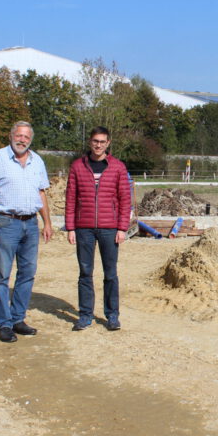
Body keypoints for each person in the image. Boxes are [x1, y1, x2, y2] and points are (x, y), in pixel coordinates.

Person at [0, 121, 55, 343]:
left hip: (30, 224)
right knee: (2, 275)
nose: (22, 140)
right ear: (11, 136)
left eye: (26, 137)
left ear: (31, 139)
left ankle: (18, 318)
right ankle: (4, 323)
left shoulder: (37, 161)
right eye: (19, 136)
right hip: (5, 223)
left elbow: (41, 193)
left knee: (27, 273)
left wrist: (46, 222)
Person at [65, 127, 131, 331]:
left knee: (110, 273)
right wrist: (70, 227)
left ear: (108, 143)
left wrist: (122, 228)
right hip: (83, 228)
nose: (98, 145)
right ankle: (85, 315)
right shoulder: (77, 166)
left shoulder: (118, 167)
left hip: (109, 229)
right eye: (95, 141)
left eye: (102, 141)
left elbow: (124, 199)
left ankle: (112, 315)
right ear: (90, 142)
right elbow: (70, 198)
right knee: (85, 272)